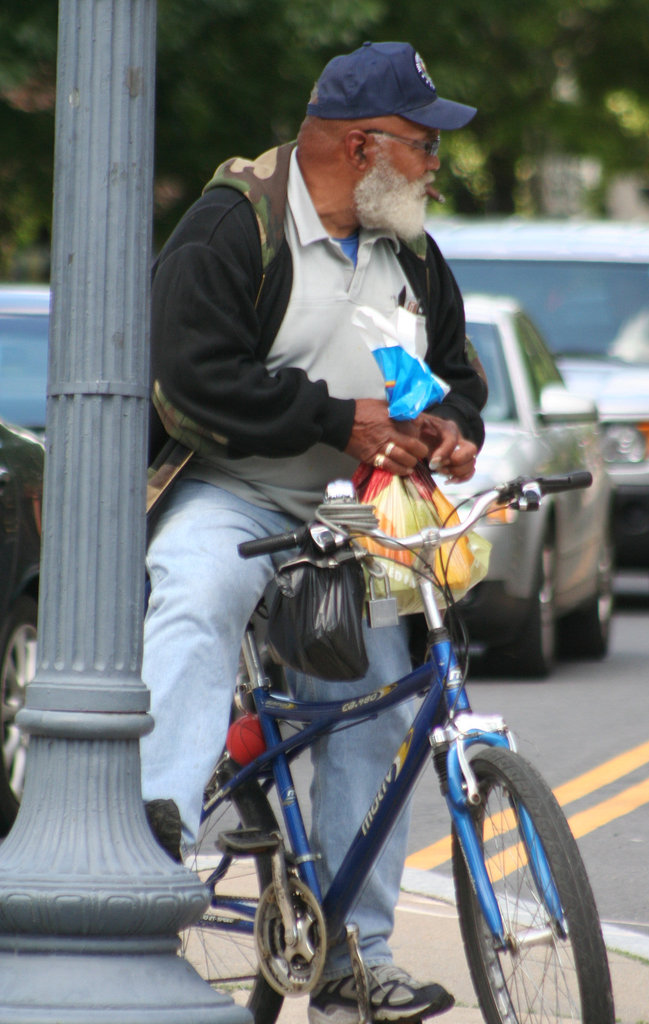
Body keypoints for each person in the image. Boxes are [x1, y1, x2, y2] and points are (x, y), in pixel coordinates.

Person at [142, 40, 486, 1024]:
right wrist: (339, 419)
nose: (433, 165)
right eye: (421, 145)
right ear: (360, 144)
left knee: (377, 700)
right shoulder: (230, 225)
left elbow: (455, 371)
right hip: (231, 484)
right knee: (197, 597)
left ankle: (353, 953)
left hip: (349, 504)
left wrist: (449, 428)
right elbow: (192, 379)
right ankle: (146, 881)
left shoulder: (406, 246)